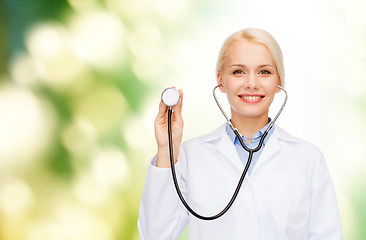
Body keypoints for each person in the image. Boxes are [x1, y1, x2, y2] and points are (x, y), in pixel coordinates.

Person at [138, 28, 343, 240]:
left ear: (278, 82)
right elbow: (155, 235)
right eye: (238, 72)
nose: (251, 83)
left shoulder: (308, 158)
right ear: (221, 80)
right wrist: (166, 149)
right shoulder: (191, 156)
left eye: (264, 72)